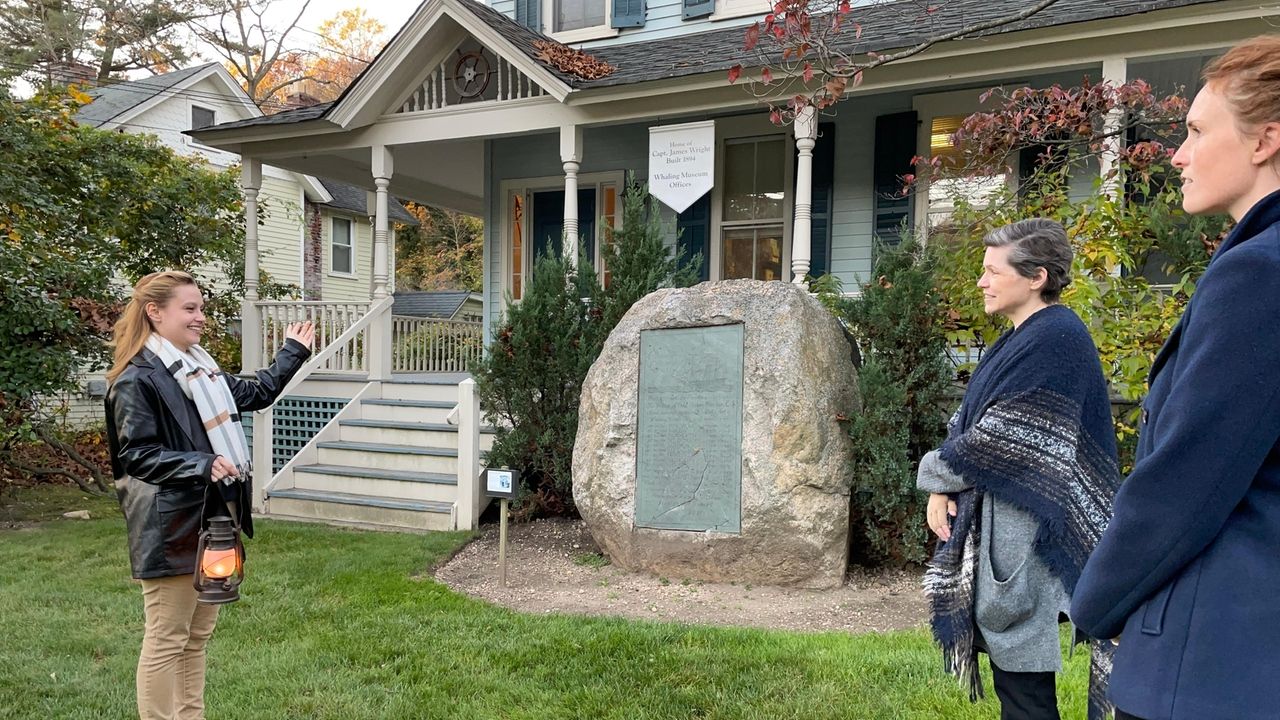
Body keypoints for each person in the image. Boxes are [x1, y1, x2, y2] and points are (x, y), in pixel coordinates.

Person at [1071, 36, 1280, 720]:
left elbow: (1188, 481)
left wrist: (1097, 599)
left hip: (1215, 667)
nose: (1177, 154)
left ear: (1265, 141)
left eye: (1194, 131)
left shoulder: (1260, 276)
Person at [918, 219, 1120, 720]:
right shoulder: (1021, 336)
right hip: (1012, 523)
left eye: (992, 271)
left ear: (1036, 277)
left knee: (1025, 691)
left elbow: (1000, 441)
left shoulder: (1057, 338)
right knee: (1018, 686)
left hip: (1031, 533)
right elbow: (969, 421)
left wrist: (933, 475)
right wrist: (940, 490)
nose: (982, 282)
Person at [105, 270, 313, 720]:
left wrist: (293, 351)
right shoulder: (136, 378)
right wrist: (198, 464)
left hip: (214, 519)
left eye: (201, 308)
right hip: (172, 526)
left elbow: (257, 393)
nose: (201, 317)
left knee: (196, 637)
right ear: (154, 313)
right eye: (190, 308)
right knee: (167, 639)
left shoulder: (203, 371)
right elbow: (136, 455)